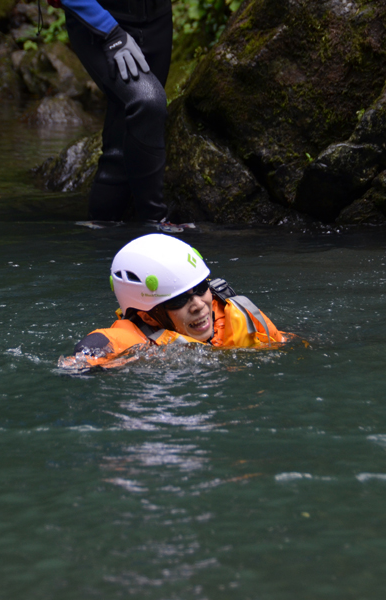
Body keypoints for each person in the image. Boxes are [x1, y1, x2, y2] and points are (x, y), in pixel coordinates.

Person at [66, 234, 290, 368]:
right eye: (179, 300)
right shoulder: (136, 340)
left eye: (202, 288)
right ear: (147, 316)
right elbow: (94, 347)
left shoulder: (235, 314)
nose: (199, 305)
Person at [56, 0, 173, 224]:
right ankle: (155, 223)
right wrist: (110, 33)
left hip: (157, 19)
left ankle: (103, 234)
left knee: (124, 136)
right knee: (148, 101)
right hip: (98, 22)